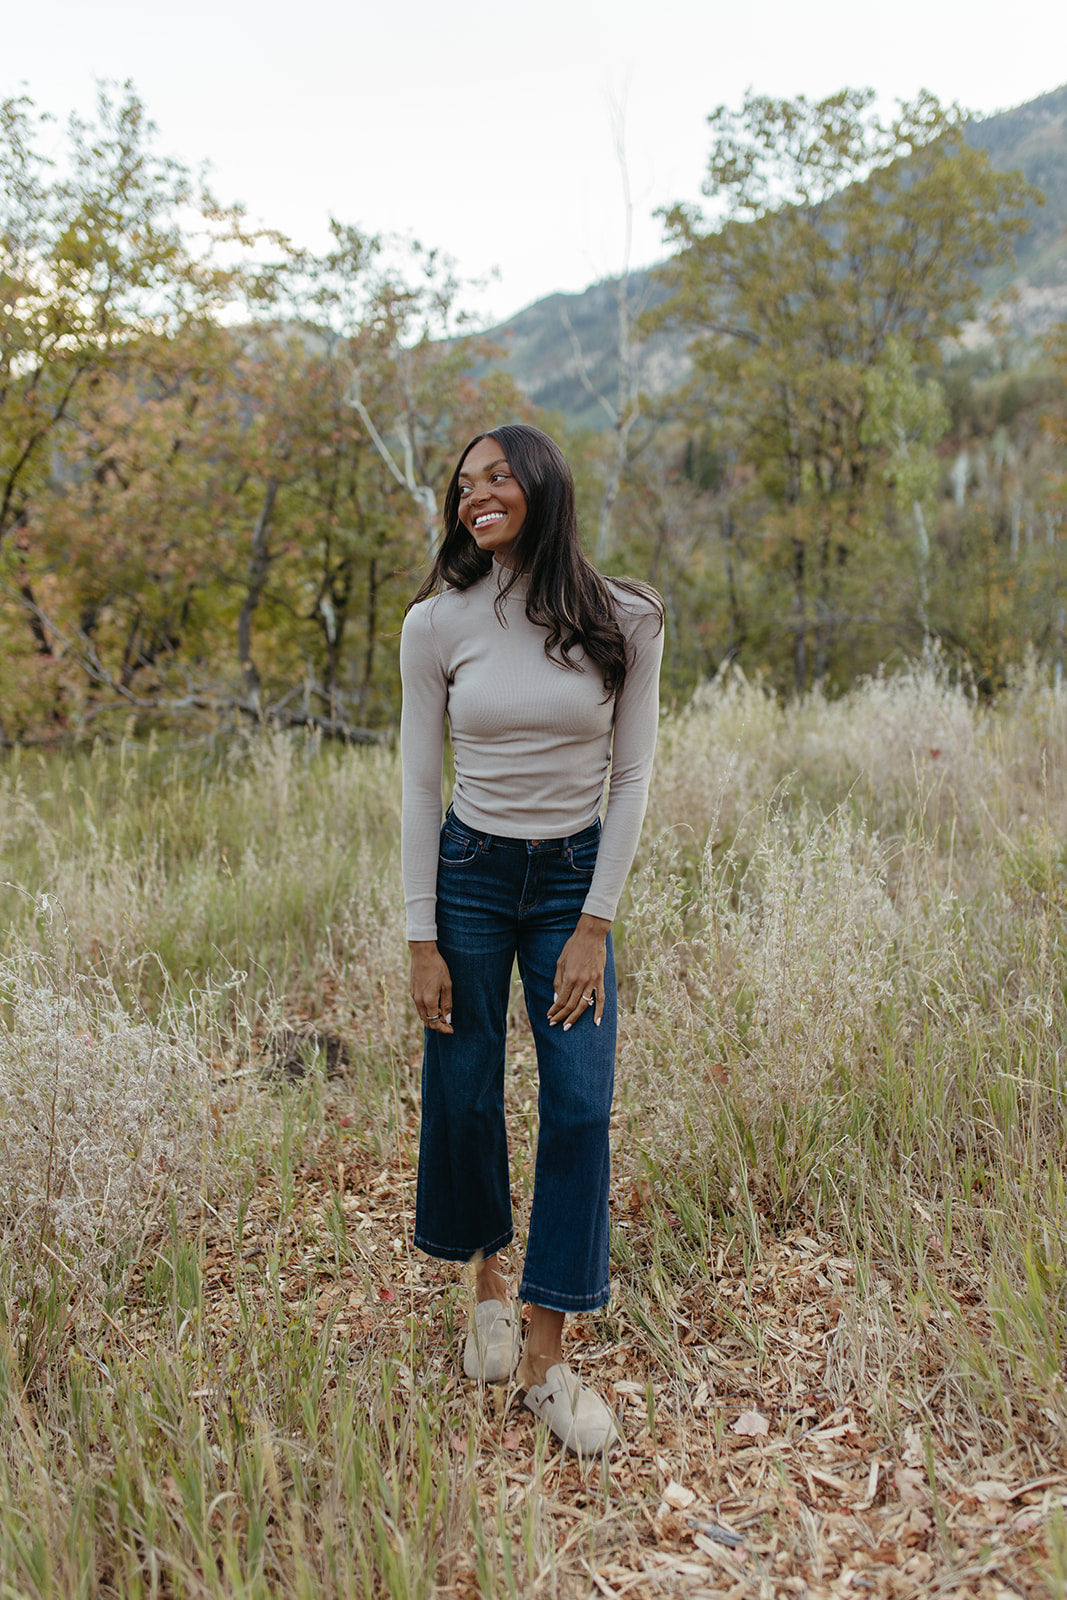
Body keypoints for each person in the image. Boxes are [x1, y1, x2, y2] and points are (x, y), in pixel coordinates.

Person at [399, 423, 663, 1455]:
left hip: (568, 885)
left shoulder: (624, 617)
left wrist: (596, 919)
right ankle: (487, 1288)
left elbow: (632, 776)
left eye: (497, 476)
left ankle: (550, 1356)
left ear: (542, 485)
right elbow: (421, 784)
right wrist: (419, 935)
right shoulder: (435, 624)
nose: (477, 496)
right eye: (464, 484)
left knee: (581, 1102)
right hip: (466, 875)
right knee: (463, 1090)